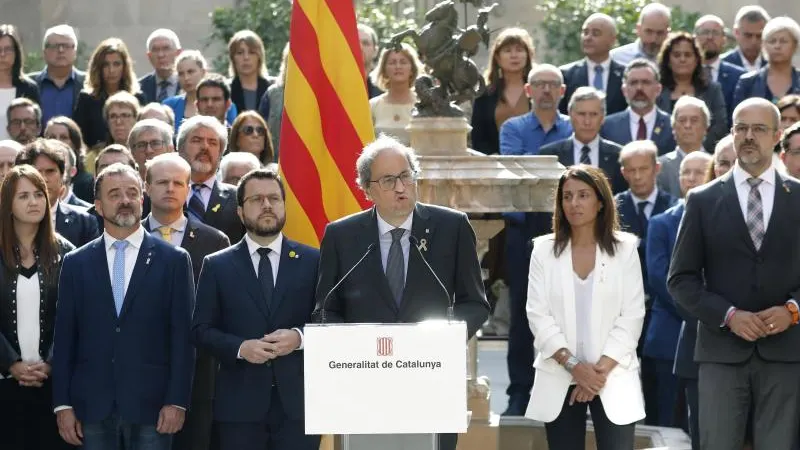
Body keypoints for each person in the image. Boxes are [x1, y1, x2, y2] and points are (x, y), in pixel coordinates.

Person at [312, 134, 490, 450]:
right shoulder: (341, 235)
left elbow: (475, 303)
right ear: (367, 189)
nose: (400, 187)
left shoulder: (451, 227)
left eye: (406, 176)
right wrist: (350, 347)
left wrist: (439, 340)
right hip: (363, 383)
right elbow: (326, 307)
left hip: (431, 378)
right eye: (389, 180)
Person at [668, 97, 800, 449]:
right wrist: (728, 316)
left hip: (785, 354)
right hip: (721, 353)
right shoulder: (703, 199)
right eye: (741, 128)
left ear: (777, 136)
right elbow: (681, 280)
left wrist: (793, 311)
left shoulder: (799, 198)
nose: (748, 136)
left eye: (758, 129)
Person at [52, 163, 195, 450]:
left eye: (132, 192)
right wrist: (62, 404)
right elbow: (66, 336)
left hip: (153, 407)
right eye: (114, 194)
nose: (126, 200)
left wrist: (177, 400)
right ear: (98, 205)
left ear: (142, 200)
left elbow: (183, 338)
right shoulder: (76, 263)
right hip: (91, 405)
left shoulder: (174, 261)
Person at [193, 166, 319, 450]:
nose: (267, 206)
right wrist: (241, 348)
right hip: (239, 408)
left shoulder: (313, 261)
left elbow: (329, 322)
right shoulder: (217, 265)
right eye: (256, 199)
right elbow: (201, 330)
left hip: (298, 408)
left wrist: (299, 338)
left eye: (274, 199)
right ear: (240, 211)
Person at [524, 165, 645, 450]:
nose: (574, 203)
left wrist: (595, 374)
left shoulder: (625, 249)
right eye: (567, 196)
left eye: (582, 195)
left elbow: (633, 316)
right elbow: (537, 316)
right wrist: (575, 367)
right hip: (559, 374)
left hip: (612, 376)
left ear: (600, 201)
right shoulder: (543, 250)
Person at [142, 153, 229, 450]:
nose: (170, 188)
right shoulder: (127, 238)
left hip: (197, 373)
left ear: (189, 189)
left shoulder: (215, 241)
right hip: (139, 372)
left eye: (178, 183)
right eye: (162, 182)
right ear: (146, 186)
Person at [0, 166, 75, 450]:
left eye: (38, 194)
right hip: (4, 385)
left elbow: (74, 320)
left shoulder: (68, 254)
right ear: (7, 203)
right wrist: (11, 363)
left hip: (53, 388)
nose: (34, 202)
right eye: (23, 196)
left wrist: (51, 363)